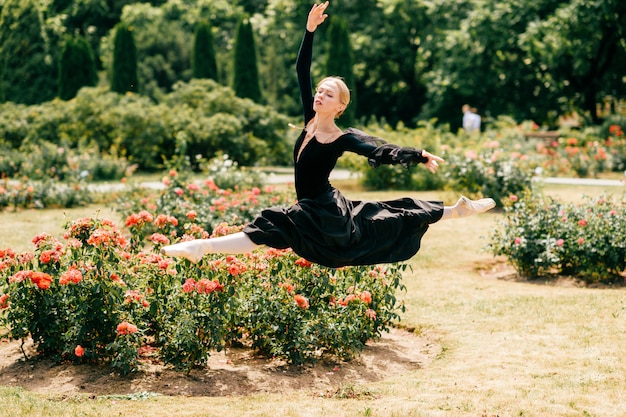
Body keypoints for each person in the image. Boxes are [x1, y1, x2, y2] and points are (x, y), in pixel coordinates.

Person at [161, 1, 495, 268]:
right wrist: (309, 30)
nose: (320, 95)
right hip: (313, 206)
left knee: (390, 215)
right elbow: (301, 69)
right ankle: (200, 248)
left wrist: (417, 155)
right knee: (273, 229)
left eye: (328, 94)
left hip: (324, 209)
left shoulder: (340, 137)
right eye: (320, 91)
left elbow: (378, 151)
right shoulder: (309, 120)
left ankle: (199, 248)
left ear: (339, 107)